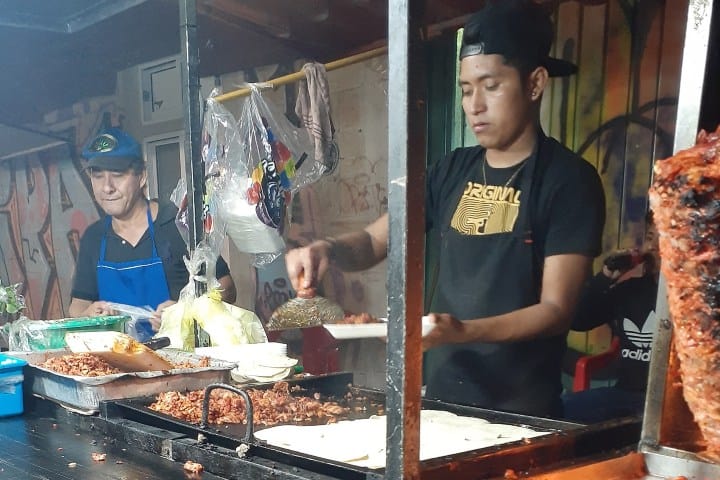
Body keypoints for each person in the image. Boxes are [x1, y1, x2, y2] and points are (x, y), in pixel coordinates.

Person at [285, 0, 605, 417]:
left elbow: (556, 311)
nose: (475, 106)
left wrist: (461, 331)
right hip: (438, 403)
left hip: (522, 414)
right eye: (466, 90)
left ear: (535, 83)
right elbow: (373, 240)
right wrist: (325, 249)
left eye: (491, 86)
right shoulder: (451, 169)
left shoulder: (568, 180)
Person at [68, 127, 236, 338]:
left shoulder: (177, 223)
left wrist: (185, 311)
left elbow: (227, 287)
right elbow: (77, 306)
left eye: (117, 175)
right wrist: (88, 316)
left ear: (142, 177)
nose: (107, 187)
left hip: (181, 362)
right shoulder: (94, 237)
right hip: (118, 364)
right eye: (98, 176)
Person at [562, 214, 659, 423]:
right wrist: (605, 277)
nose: (654, 246)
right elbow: (579, 321)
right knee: (560, 412)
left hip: (673, 405)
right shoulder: (631, 290)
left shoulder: (697, 302)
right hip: (626, 395)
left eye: (666, 237)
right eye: (651, 237)